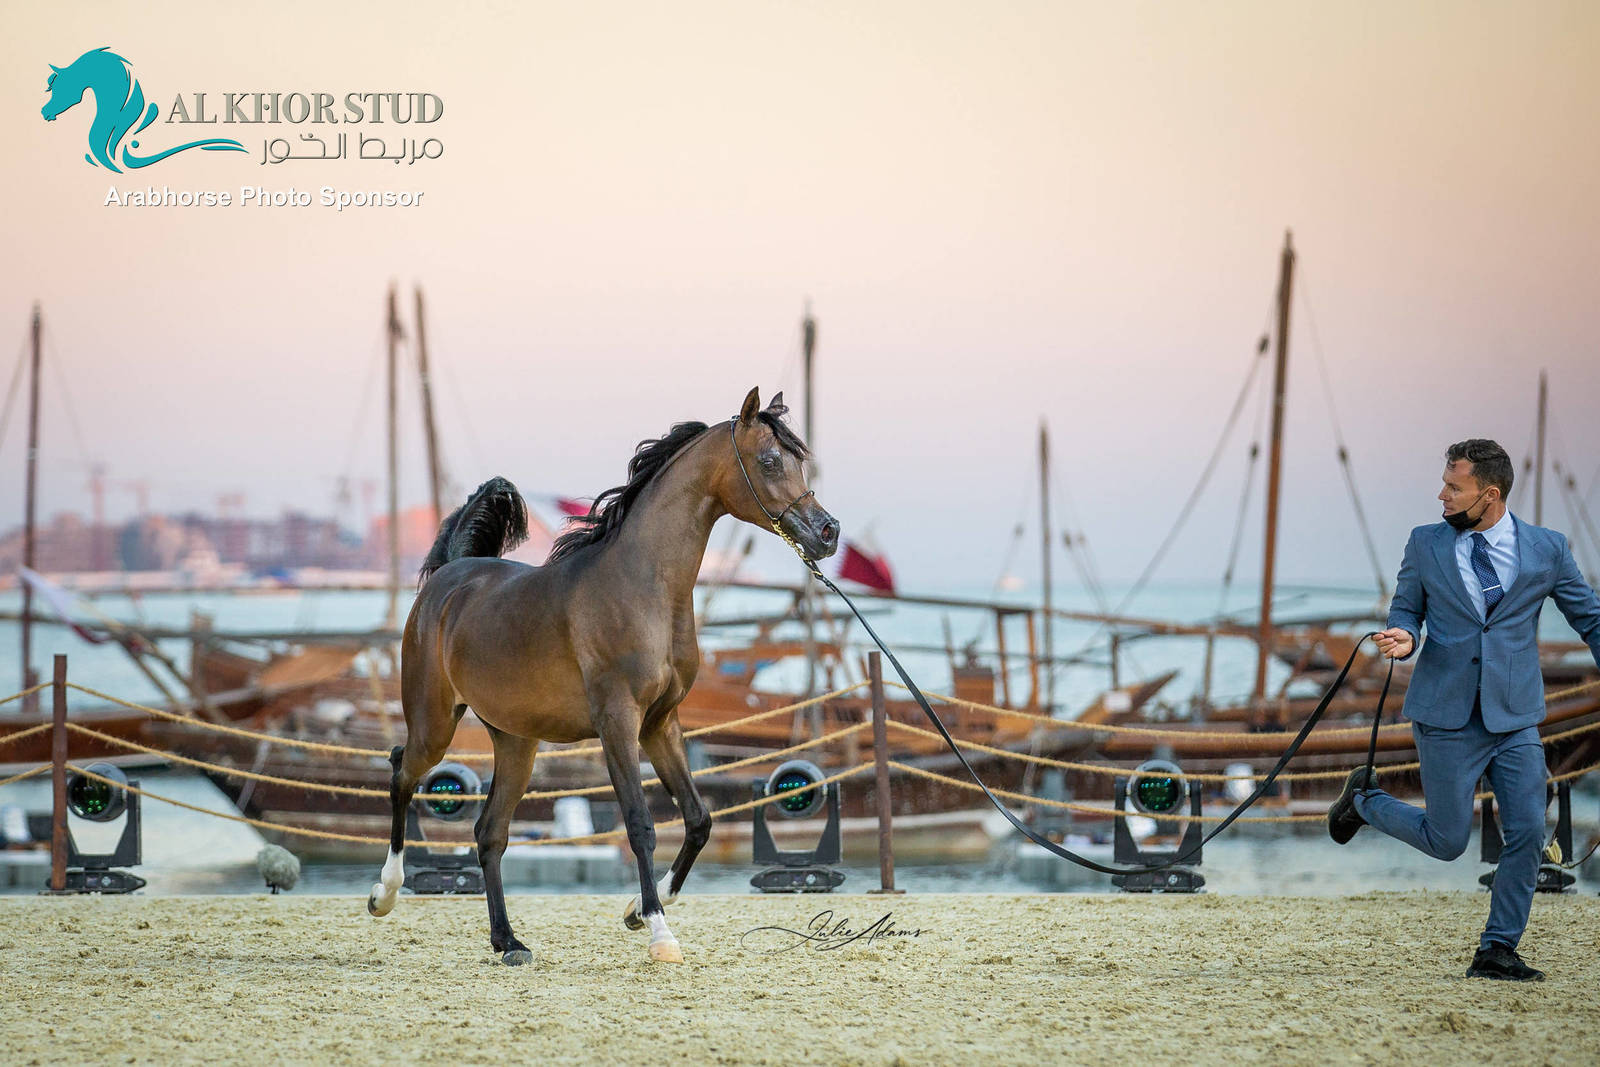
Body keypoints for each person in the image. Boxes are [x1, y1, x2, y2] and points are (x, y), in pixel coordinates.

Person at [1326, 438, 1600, 981]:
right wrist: (1404, 636)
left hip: (1515, 715)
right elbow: (1407, 606)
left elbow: (1589, 618)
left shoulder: (1547, 549)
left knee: (1527, 829)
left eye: (1455, 487)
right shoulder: (1425, 544)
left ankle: (1496, 948)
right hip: (1446, 715)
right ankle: (1364, 799)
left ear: (1489, 494)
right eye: (1444, 483)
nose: (1441, 495)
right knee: (1447, 841)